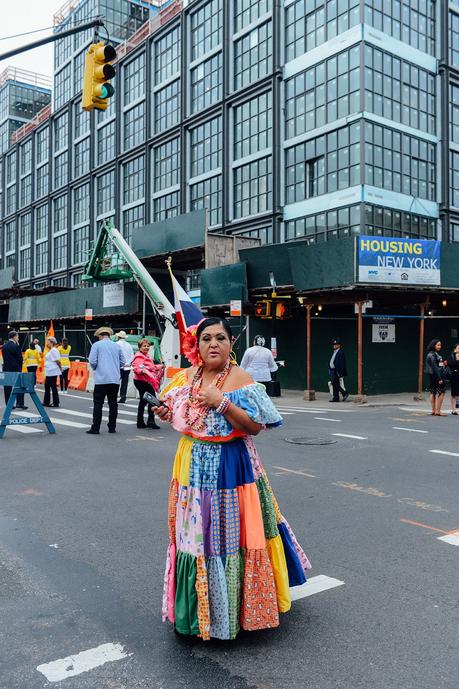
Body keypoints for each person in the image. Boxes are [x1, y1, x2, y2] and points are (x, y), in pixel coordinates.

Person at [154, 317, 311, 640]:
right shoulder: (186, 377)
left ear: (230, 345)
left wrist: (222, 403)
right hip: (191, 466)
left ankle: (234, 613)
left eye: (221, 338)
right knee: (195, 538)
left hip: (231, 467)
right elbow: (183, 417)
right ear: (195, 346)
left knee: (228, 538)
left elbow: (255, 426)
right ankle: (197, 612)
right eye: (207, 338)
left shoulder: (239, 378)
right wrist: (167, 413)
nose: (213, 344)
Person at [87, 326, 126, 434]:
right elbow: (123, 362)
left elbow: (92, 361)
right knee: (113, 404)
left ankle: (96, 428)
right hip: (114, 379)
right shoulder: (116, 346)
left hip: (101, 379)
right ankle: (112, 427)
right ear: (109, 335)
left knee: (98, 404)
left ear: (100, 335)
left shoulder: (96, 345)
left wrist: (96, 368)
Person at [131, 339, 163, 429]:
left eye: (148, 346)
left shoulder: (147, 356)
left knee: (144, 401)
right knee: (152, 400)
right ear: (140, 347)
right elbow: (136, 368)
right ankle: (150, 421)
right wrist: (143, 371)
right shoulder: (139, 356)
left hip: (145, 381)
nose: (146, 348)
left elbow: (150, 368)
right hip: (141, 381)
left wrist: (159, 367)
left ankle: (141, 422)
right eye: (144, 346)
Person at [2, 330, 27, 410]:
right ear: (14, 337)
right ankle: (19, 403)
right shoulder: (16, 346)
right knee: (19, 385)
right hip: (16, 368)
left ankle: (9, 404)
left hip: (6, 368)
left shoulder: (4, 346)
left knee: (7, 387)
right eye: (18, 336)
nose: (18, 338)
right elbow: (19, 358)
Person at [425, 339, 447, 416]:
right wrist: (440, 378)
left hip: (431, 376)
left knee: (433, 392)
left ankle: (434, 410)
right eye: (438, 345)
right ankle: (438, 411)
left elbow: (437, 366)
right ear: (433, 345)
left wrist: (443, 364)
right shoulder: (434, 355)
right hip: (437, 376)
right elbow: (435, 368)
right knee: (442, 392)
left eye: (440, 345)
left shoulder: (430, 354)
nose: (439, 346)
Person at [43, 336, 62, 408]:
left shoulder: (54, 350)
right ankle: (47, 401)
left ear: (51, 342)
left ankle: (54, 402)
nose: (46, 343)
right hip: (50, 370)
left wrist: (60, 368)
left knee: (52, 386)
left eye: (48, 341)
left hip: (52, 370)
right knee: (48, 385)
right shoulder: (51, 350)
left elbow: (57, 360)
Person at [116, 331, 134, 403]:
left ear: (118, 337)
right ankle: (123, 397)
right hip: (127, 367)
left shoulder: (116, 344)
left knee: (116, 382)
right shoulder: (129, 345)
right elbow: (132, 356)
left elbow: (116, 355)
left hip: (119, 366)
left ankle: (114, 396)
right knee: (124, 382)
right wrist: (128, 363)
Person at [328, 338, 349, 402]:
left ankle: (344, 393)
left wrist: (340, 373)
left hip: (336, 371)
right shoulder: (334, 352)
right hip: (332, 370)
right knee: (335, 383)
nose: (334, 345)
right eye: (333, 344)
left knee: (334, 383)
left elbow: (342, 363)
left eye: (336, 344)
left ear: (339, 345)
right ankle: (336, 397)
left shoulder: (340, 352)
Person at [448, 343, 459, 415]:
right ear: (455, 349)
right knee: (454, 393)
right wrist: (457, 359)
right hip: (454, 375)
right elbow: (451, 364)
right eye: (458, 348)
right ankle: (453, 409)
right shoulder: (452, 355)